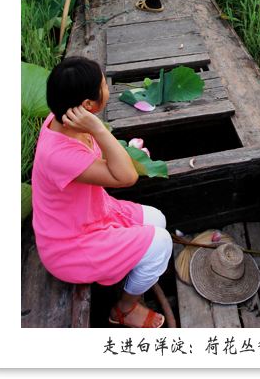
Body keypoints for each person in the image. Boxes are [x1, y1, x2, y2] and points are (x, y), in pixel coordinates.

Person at [31, 56, 173, 328]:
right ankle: (124, 308)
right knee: (162, 243)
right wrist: (98, 128)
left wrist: (94, 129)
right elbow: (127, 176)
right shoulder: (62, 154)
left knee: (157, 219)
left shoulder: (60, 118)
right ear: (86, 106)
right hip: (69, 245)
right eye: (103, 85)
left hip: (93, 213)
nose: (108, 88)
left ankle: (126, 267)